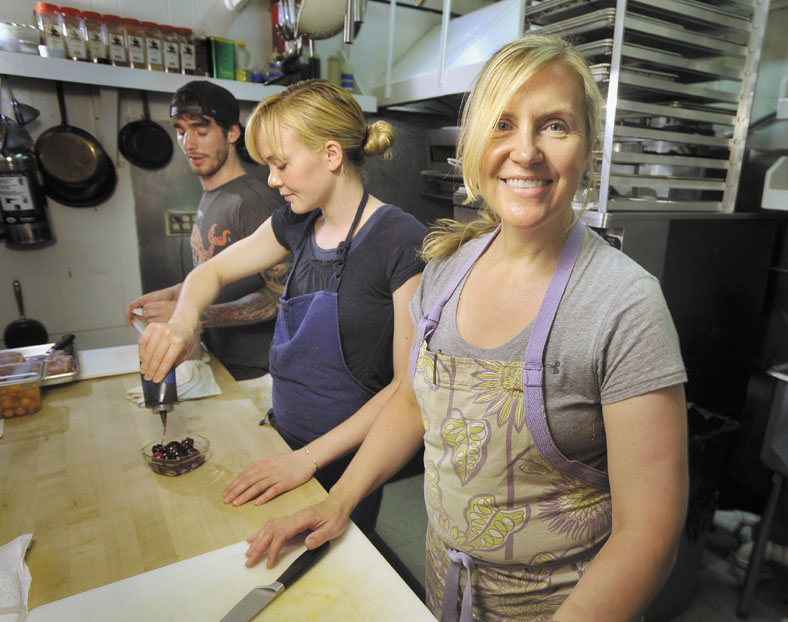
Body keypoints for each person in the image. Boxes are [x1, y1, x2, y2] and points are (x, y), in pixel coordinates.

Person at [241, 35, 690, 622]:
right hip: (443, 587)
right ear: (475, 144)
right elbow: (411, 399)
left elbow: (648, 537)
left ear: (588, 148)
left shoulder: (623, 305)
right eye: (502, 124)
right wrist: (340, 499)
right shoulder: (448, 269)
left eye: (555, 125)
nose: (525, 152)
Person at [138, 79, 428, 534]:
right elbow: (208, 273)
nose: (272, 180)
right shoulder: (296, 222)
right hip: (284, 438)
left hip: (348, 460)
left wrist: (307, 460)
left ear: (331, 155)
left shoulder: (399, 239)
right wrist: (182, 321)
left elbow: (404, 390)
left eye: (281, 164)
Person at [126, 80, 289, 407]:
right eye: (181, 131)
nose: (189, 143)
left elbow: (281, 295)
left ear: (231, 133)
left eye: (201, 131)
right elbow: (218, 267)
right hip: (223, 362)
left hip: (258, 374)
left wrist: (193, 315)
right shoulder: (214, 196)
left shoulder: (252, 202)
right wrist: (179, 292)